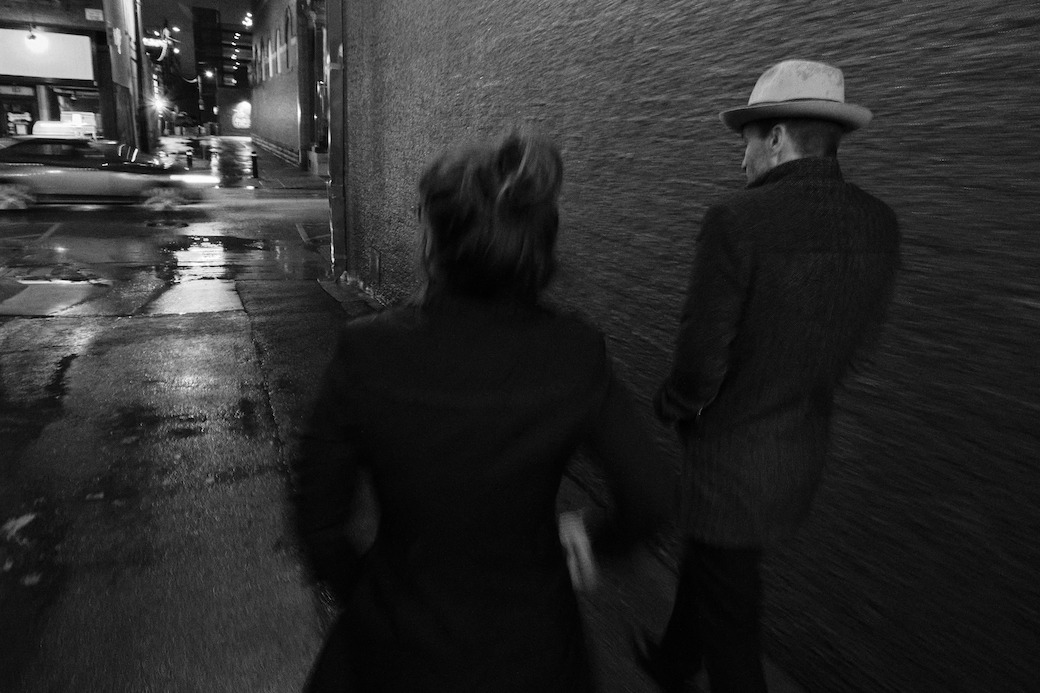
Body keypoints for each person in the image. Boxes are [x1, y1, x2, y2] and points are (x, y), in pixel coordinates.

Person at [291, 130, 674, 692]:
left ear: (435, 240)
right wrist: (591, 536)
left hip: (398, 651)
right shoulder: (574, 351)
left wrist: (373, 598)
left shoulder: (369, 350)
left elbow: (319, 521)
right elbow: (650, 495)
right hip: (534, 650)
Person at [636, 60, 901, 692]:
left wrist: (673, 406)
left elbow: (700, 363)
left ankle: (688, 665)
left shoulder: (737, 222)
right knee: (716, 562)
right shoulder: (877, 224)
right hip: (799, 449)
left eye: (748, 142)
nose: (741, 161)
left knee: (733, 625)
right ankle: (673, 660)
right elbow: (858, 351)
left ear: (778, 138)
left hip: (729, 456)